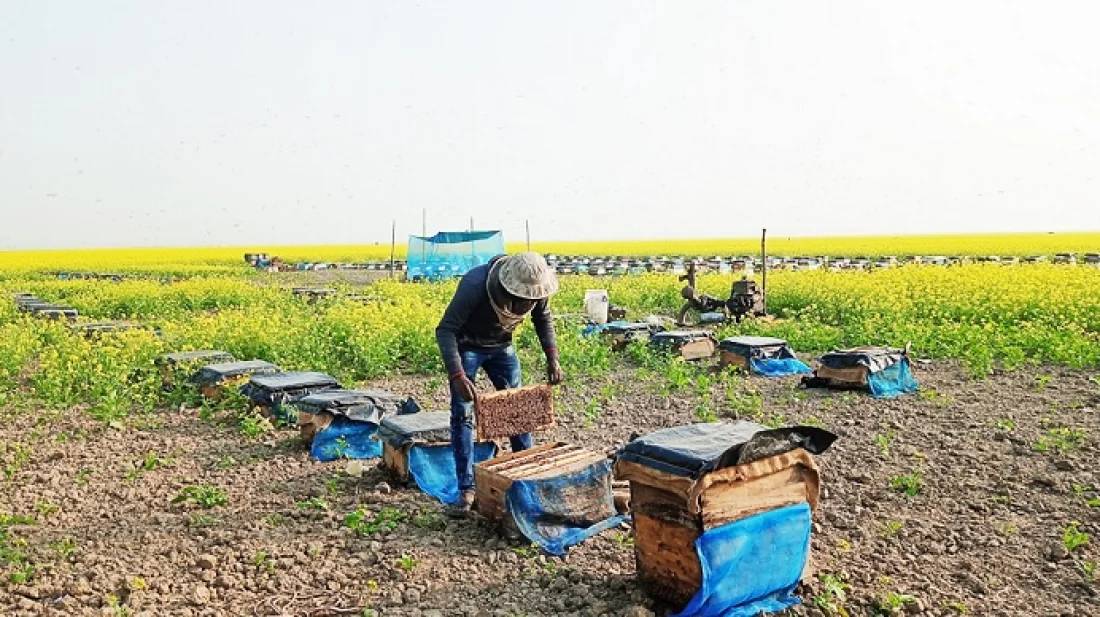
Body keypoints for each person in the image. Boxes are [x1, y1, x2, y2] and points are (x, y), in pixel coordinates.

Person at [435, 252, 563, 517]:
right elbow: (445, 329)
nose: (527, 302)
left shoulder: (536, 287)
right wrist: (457, 375)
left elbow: (543, 319)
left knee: (517, 412)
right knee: (463, 415)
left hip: (502, 346)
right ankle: (466, 489)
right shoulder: (474, 285)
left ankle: (524, 479)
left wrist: (552, 358)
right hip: (467, 346)